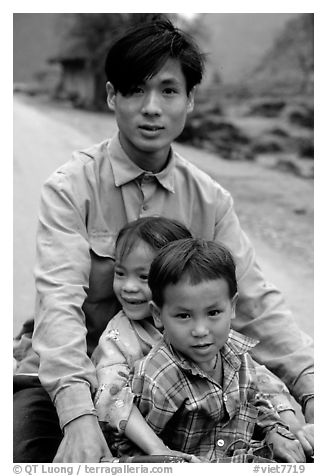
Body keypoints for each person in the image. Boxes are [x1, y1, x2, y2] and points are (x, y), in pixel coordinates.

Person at [13, 16, 313, 463]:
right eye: (135, 90)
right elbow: (58, 302)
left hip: (185, 378)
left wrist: (310, 388)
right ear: (112, 95)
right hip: (73, 378)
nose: (152, 107)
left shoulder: (210, 200)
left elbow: (255, 303)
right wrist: (77, 416)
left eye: (169, 91)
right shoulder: (71, 188)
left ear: (190, 100)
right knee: (33, 455)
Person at [116, 238, 307, 462]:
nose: (200, 330)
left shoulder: (237, 353)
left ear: (232, 307)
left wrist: (274, 430)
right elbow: (136, 450)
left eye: (214, 312)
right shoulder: (161, 378)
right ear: (158, 315)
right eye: (184, 316)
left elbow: (253, 399)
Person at [92, 216, 194, 459]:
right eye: (120, 273)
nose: (127, 286)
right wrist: (157, 450)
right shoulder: (118, 337)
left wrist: (288, 426)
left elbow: (250, 373)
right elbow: (110, 396)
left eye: (143, 277)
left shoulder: (199, 324)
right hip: (142, 451)